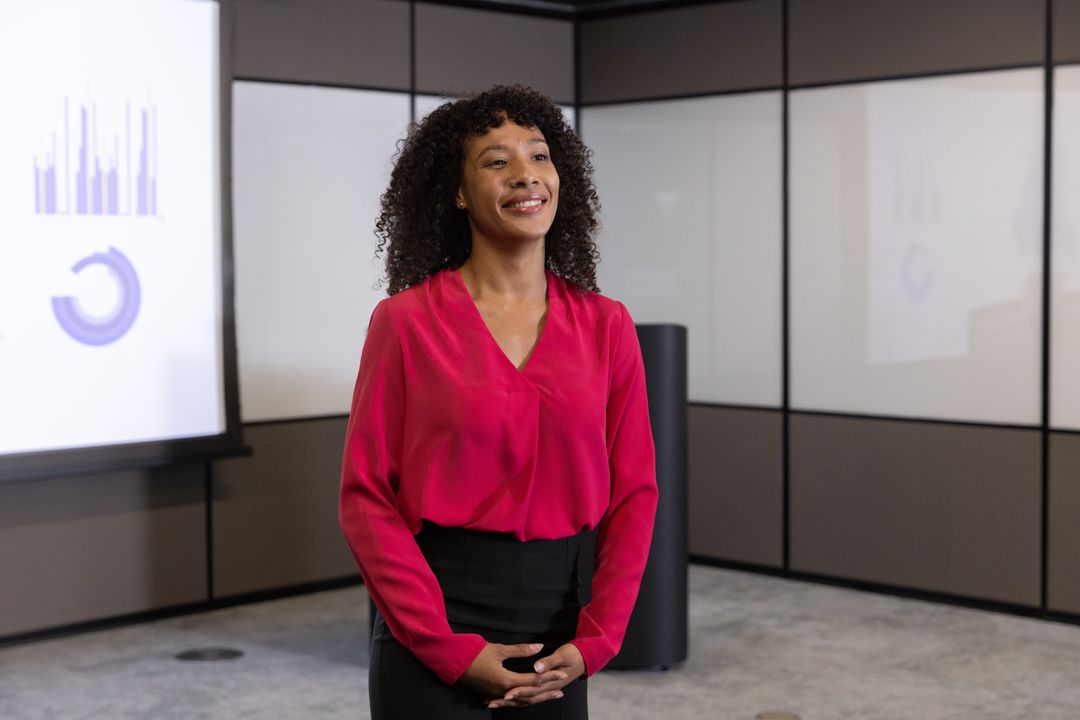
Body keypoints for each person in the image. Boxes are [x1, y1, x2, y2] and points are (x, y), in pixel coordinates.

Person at [339, 84, 658, 719]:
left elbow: (634, 495)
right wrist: (448, 649)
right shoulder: (404, 322)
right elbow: (365, 497)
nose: (525, 175)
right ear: (459, 192)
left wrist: (597, 639)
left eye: (539, 156)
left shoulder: (608, 325)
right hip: (433, 625)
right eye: (496, 161)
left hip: (558, 639)